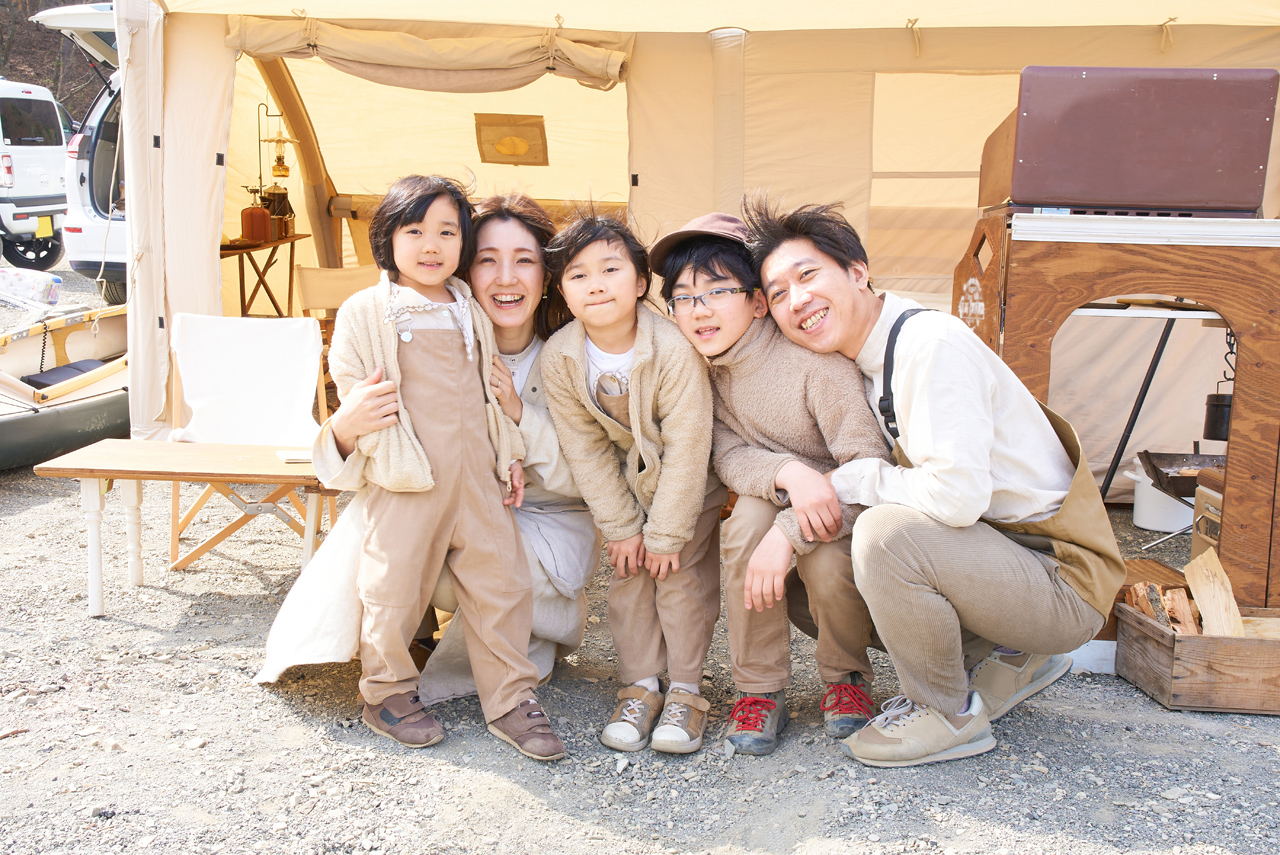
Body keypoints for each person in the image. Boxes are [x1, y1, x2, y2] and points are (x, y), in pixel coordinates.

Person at [743, 198, 1125, 768]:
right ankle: (1015, 657)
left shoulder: (929, 346)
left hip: (1059, 577)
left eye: (807, 275)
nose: (797, 301)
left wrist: (850, 483)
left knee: (885, 534)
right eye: (777, 294)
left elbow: (955, 496)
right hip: (1001, 560)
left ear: (856, 271)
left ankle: (947, 713)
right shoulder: (867, 361)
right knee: (822, 585)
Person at [258, 175, 564, 762]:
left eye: (448, 231)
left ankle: (510, 699)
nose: (432, 244)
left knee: (502, 584)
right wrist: (357, 421)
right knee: (394, 588)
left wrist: (510, 453)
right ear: (387, 240)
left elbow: (485, 394)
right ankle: (388, 690)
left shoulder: (467, 306)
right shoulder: (370, 309)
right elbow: (352, 380)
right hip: (407, 477)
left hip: (478, 477)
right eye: (415, 230)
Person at [650, 213, 890, 756]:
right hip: (777, 491)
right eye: (683, 298)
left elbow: (868, 464)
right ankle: (758, 689)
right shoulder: (700, 370)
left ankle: (846, 679)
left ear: (758, 302)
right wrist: (787, 473)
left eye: (717, 291)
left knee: (827, 560)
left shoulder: (814, 365)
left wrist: (800, 510)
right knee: (742, 533)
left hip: (848, 499)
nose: (699, 310)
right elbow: (727, 452)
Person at [540, 213, 728, 755]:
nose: (595, 284)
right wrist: (622, 526)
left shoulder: (672, 348)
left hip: (689, 486)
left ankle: (687, 691)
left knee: (679, 577)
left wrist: (665, 534)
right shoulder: (561, 356)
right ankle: (640, 684)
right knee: (628, 578)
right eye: (577, 275)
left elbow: (690, 446)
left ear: (641, 283)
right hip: (627, 483)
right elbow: (585, 447)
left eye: (610, 269)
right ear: (563, 291)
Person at [415, 194, 601, 703]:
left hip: (546, 520)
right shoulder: (434, 343)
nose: (505, 278)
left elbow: (589, 480)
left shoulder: (573, 356)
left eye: (524, 260)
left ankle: (523, 637)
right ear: (464, 271)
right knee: (397, 542)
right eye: (487, 260)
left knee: (474, 567)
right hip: (458, 513)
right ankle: (411, 630)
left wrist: (520, 415)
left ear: (547, 277)